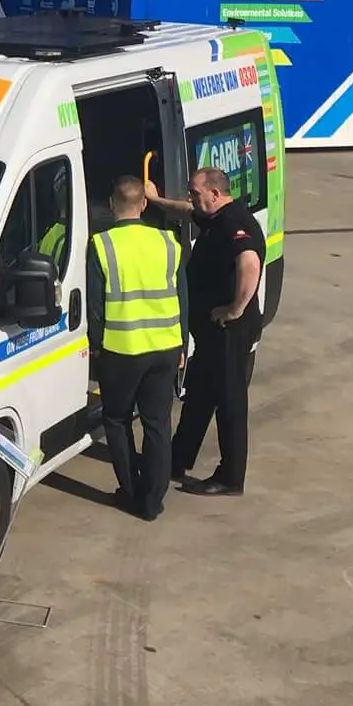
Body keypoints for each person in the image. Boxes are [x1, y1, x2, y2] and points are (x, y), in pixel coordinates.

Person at [149, 166, 265, 496]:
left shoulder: (234, 223)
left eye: (195, 193)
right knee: (199, 393)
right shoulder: (215, 215)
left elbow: (249, 265)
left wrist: (234, 309)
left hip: (229, 331)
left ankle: (230, 477)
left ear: (214, 194)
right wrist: (155, 200)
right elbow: (186, 212)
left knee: (229, 402)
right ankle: (178, 457)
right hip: (212, 332)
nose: (191, 199)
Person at [88, 176, 186, 520]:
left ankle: (131, 491)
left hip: (121, 348)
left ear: (112, 205)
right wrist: (183, 342)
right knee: (157, 423)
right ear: (144, 204)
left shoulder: (102, 245)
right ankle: (153, 500)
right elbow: (181, 296)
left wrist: (96, 346)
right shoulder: (168, 242)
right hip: (165, 347)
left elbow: (95, 306)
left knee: (116, 420)